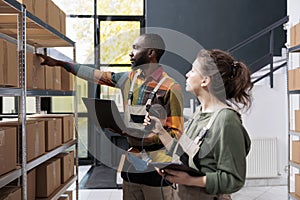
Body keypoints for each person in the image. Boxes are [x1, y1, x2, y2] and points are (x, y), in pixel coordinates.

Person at [37, 33, 184, 200]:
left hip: (158, 170)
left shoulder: (171, 88)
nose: (131, 53)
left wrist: (147, 136)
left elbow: (175, 136)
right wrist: (61, 64)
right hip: (131, 168)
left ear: (151, 53)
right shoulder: (127, 79)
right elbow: (94, 75)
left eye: (136, 48)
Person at [144, 49, 253, 200]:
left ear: (205, 80)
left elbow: (234, 179)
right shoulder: (199, 113)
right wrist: (160, 131)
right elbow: (184, 154)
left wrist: (190, 180)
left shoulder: (226, 120)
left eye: (193, 70)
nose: (187, 74)